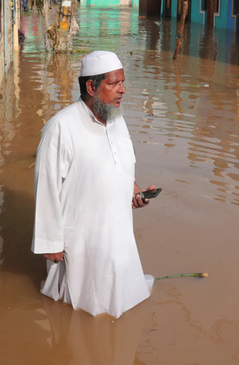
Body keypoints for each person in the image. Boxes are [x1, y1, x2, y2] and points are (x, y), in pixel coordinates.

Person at [32, 51, 156, 318]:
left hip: (118, 228)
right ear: (91, 86)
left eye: (123, 82)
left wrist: (134, 191)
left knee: (121, 294)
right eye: (114, 83)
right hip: (81, 234)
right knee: (79, 302)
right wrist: (50, 242)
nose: (122, 90)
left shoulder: (116, 119)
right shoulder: (61, 127)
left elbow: (122, 163)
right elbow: (46, 187)